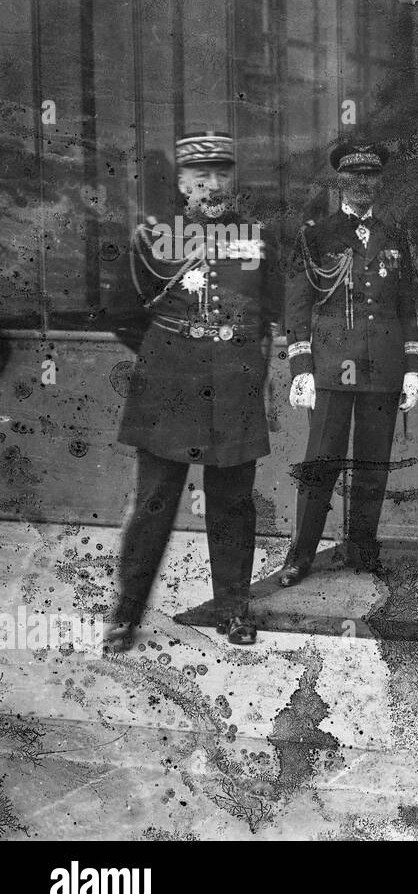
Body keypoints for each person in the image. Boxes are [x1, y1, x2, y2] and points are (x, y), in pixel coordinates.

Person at [105, 131, 280, 651]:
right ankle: (126, 613)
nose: (212, 184)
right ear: (182, 182)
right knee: (155, 502)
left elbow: (270, 310)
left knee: (232, 502)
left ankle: (232, 609)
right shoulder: (153, 235)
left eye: (222, 174)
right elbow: (120, 314)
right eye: (200, 176)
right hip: (169, 388)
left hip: (233, 384)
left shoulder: (259, 237)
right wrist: (170, 354)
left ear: (234, 179)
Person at [276, 143, 418, 587]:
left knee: (374, 463)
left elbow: (406, 306)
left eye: (371, 177)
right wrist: (300, 366)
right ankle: (300, 556)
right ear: (339, 181)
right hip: (330, 366)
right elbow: (297, 305)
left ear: (379, 183)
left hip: (383, 364)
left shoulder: (396, 235)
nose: (363, 184)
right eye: (354, 176)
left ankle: (363, 549)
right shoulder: (316, 234)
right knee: (321, 462)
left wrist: (413, 367)